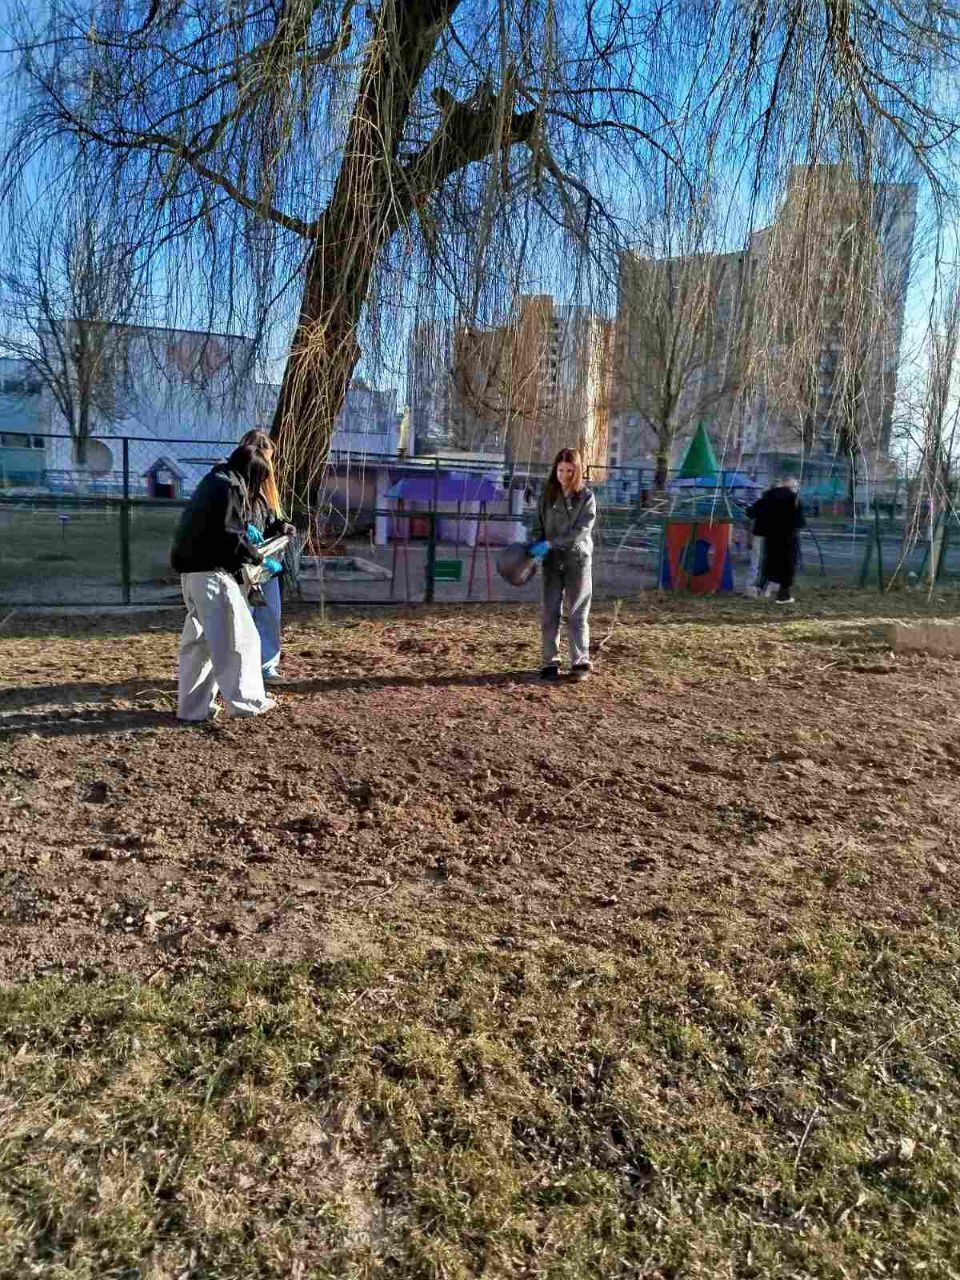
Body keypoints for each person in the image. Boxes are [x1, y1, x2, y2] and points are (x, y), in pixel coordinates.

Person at [170, 444, 282, 720]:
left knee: (200, 645)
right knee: (239, 638)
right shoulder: (230, 487)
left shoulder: (212, 481)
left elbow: (213, 531)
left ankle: (192, 708)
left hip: (191, 574)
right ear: (252, 473)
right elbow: (230, 535)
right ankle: (247, 702)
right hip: (212, 574)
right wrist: (257, 558)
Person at [528, 447, 597, 681]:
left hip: (578, 560)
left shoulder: (586, 497)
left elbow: (582, 530)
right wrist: (535, 546)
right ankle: (550, 661)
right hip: (551, 561)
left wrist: (551, 543)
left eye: (569, 470)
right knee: (550, 612)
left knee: (577, 612)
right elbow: (537, 526)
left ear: (577, 471)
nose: (564, 475)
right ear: (555, 470)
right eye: (560, 470)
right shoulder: (546, 496)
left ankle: (580, 661)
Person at [238, 429, 294, 681]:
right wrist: (243, 526)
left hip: (266, 563)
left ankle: (267, 666)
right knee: (244, 616)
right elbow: (225, 520)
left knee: (270, 614)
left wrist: (282, 525)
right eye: (264, 459)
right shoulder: (234, 485)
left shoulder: (265, 489)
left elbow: (271, 519)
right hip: (243, 564)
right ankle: (241, 668)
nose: (267, 468)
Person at [746, 477, 806, 604]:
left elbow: (751, 512)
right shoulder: (794, 499)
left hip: (768, 536)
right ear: (790, 486)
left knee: (765, 563)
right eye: (796, 487)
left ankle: (758, 588)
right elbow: (800, 522)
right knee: (786, 565)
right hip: (788, 538)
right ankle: (783, 595)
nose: (797, 489)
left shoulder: (767, 496)